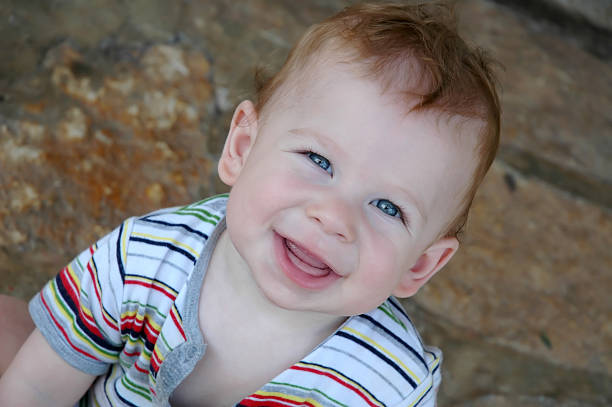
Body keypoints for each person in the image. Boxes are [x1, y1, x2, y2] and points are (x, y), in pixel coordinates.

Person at [0, 2, 500, 406]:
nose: (334, 217)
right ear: (241, 149)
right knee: (15, 331)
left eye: (388, 207)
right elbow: (40, 385)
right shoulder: (145, 257)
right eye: (318, 160)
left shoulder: (386, 385)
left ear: (421, 264)